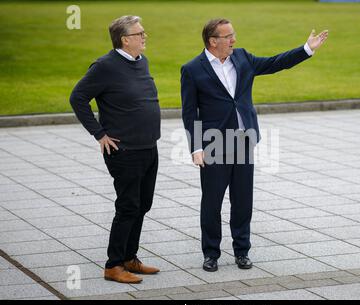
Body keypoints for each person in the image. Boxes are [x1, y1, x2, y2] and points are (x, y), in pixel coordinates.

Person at [181, 18, 328, 272]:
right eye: (228, 36)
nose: (233, 40)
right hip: (214, 145)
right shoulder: (193, 69)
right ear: (213, 41)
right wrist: (196, 147)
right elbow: (189, 112)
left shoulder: (242, 58)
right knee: (212, 202)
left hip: (243, 141)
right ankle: (211, 254)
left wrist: (307, 49)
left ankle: (242, 251)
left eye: (233, 35)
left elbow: (274, 63)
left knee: (242, 201)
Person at [70, 15, 161, 283]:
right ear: (125, 39)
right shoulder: (104, 66)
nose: (145, 36)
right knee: (128, 206)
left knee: (143, 204)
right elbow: (78, 98)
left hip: (148, 147)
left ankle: (130, 258)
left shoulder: (141, 62)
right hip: (125, 152)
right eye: (140, 33)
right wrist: (99, 134)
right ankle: (113, 265)